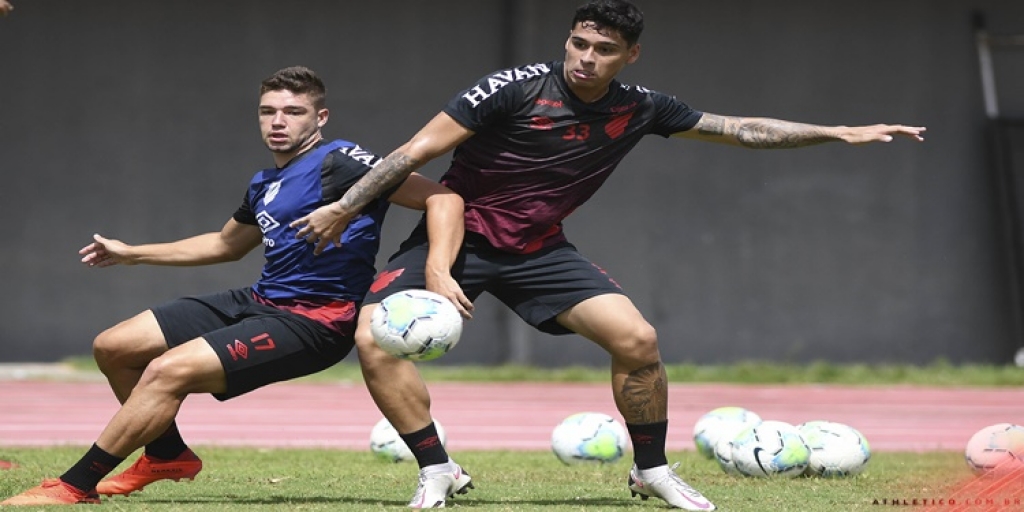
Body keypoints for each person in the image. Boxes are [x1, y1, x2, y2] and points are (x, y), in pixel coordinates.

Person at [291, 0, 925, 509]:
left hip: (540, 250)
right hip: (457, 238)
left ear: (630, 55)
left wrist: (834, 132)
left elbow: (738, 128)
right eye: (578, 43)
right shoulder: (510, 89)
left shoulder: (639, 107)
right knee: (374, 339)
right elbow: (413, 153)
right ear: (567, 40)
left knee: (637, 340)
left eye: (603, 50)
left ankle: (651, 471)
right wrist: (345, 207)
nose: (586, 59)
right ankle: (436, 471)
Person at [1, 66, 466, 506]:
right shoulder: (265, 182)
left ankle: (76, 484)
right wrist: (131, 252)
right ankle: (168, 457)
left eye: (293, 112)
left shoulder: (342, 160)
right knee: (115, 347)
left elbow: (440, 198)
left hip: (314, 321)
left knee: (167, 372)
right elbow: (226, 244)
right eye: (268, 112)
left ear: (320, 117)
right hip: (262, 299)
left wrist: (438, 272)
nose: (278, 122)